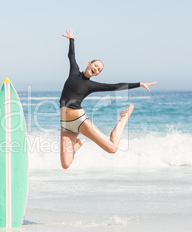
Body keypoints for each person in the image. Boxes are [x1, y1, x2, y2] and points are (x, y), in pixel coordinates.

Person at [59, 29, 156, 169]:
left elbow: (116, 86)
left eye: (99, 70)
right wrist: (71, 39)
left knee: (112, 149)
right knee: (66, 164)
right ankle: (78, 145)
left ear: (96, 74)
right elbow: (71, 56)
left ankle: (123, 117)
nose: (96, 69)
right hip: (65, 125)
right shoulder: (74, 71)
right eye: (95, 65)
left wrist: (139, 84)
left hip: (80, 121)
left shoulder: (90, 85)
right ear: (89, 63)